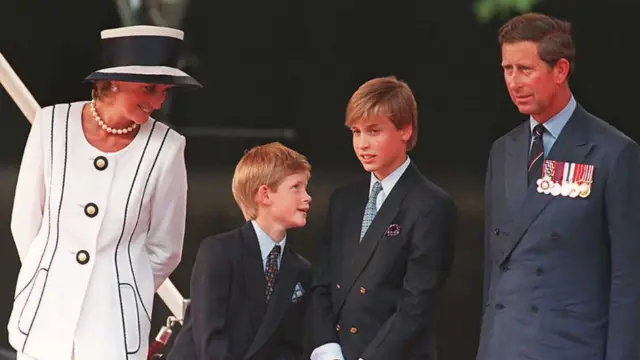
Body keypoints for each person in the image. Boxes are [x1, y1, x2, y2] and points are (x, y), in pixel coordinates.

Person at [7, 25, 201, 360]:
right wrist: (51, 276)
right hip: (43, 319)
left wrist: (124, 289)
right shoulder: (50, 124)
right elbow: (25, 221)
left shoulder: (167, 147)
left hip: (114, 330)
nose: (157, 101)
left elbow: (166, 248)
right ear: (112, 82)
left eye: (164, 91)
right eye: (149, 88)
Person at [477, 12, 640, 360]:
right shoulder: (503, 150)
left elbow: (628, 280)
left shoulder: (613, 153)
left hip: (570, 347)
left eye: (525, 69)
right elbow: (495, 272)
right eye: (508, 69)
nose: (514, 82)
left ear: (560, 70)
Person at [309, 76, 458, 360]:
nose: (362, 144)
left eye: (374, 131)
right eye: (356, 132)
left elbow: (417, 304)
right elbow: (322, 283)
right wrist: (327, 348)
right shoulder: (344, 200)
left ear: (405, 130)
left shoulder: (431, 205)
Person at [167, 142, 313, 360]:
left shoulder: (300, 269)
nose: (307, 197)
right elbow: (210, 336)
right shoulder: (219, 251)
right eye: (296, 187)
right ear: (265, 195)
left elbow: (289, 346)